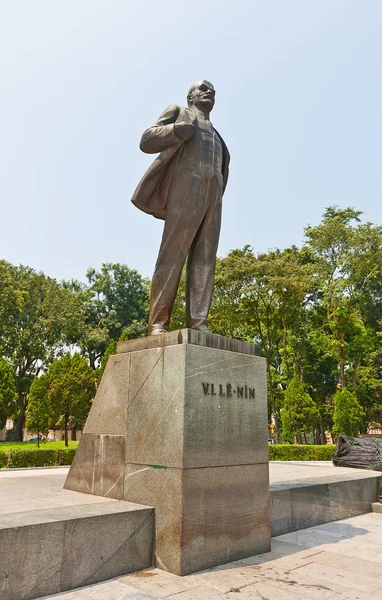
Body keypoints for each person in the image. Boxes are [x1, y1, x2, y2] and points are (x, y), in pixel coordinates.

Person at [132, 80, 230, 335]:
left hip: (214, 193)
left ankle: (199, 322)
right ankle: (158, 323)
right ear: (190, 97)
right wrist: (176, 130)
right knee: (172, 254)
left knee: (205, 260)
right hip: (186, 184)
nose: (209, 92)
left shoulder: (218, 136)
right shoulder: (178, 112)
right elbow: (146, 140)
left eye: (213, 91)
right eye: (203, 89)